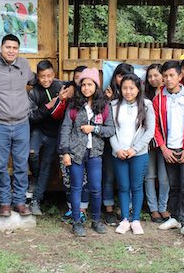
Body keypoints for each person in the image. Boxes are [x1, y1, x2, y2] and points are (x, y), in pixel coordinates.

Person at [0, 34, 37, 216]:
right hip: (0, 124)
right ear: (1, 48)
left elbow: (37, 80)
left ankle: (19, 201)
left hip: (22, 123)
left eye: (15, 48)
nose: (11, 51)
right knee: (1, 165)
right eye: (8, 47)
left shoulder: (24, 65)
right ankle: (4, 202)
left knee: (21, 164)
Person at [59, 68, 115, 237]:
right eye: (83, 84)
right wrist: (66, 152)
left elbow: (110, 130)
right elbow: (65, 130)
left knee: (96, 188)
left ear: (96, 86)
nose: (86, 88)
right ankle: (77, 222)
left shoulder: (104, 106)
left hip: (95, 153)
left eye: (90, 84)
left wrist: (94, 128)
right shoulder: (74, 106)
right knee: (76, 187)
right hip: (76, 153)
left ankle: (96, 220)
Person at [155, 61, 184, 240]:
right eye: (165, 76)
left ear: (180, 76)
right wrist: (163, 149)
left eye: (171, 75)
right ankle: (174, 217)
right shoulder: (159, 99)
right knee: (173, 185)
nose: (168, 79)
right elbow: (156, 127)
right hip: (168, 148)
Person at [110, 74, 155, 235]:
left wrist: (134, 149)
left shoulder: (147, 105)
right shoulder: (113, 105)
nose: (128, 92)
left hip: (139, 154)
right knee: (123, 187)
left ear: (138, 89)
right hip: (119, 153)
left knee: (136, 187)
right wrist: (117, 149)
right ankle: (124, 219)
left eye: (131, 88)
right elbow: (111, 131)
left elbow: (150, 131)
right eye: (124, 88)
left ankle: (135, 219)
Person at [28, 60, 70, 215]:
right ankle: (37, 178)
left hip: (55, 133)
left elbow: (75, 84)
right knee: (31, 153)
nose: (46, 80)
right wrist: (48, 106)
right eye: (42, 77)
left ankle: (36, 200)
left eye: (49, 76)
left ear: (54, 74)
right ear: (38, 77)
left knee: (46, 165)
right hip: (39, 130)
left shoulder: (61, 86)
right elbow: (31, 116)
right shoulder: (34, 92)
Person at [103, 62, 134, 225]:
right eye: (120, 75)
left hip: (130, 146)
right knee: (109, 176)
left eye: (126, 76)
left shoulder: (135, 97)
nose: (122, 80)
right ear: (115, 76)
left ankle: (126, 208)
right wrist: (108, 100)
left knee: (128, 179)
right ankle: (108, 209)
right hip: (111, 143)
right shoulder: (107, 94)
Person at [59, 66, 90, 223]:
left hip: (84, 148)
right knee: (68, 178)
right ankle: (72, 208)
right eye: (77, 78)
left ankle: (82, 209)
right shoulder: (68, 95)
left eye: (83, 78)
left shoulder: (92, 100)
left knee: (84, 180)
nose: (80, 82)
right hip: (66, 144)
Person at [143, 64, 170, 223]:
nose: (153, 79)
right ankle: (153, 208)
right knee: (150, 175)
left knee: (164, 176)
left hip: (166, 141)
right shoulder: (144, 94)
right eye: (150, 76)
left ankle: (163, 206)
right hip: (148, 141)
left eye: (156, 75)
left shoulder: (169, 93)